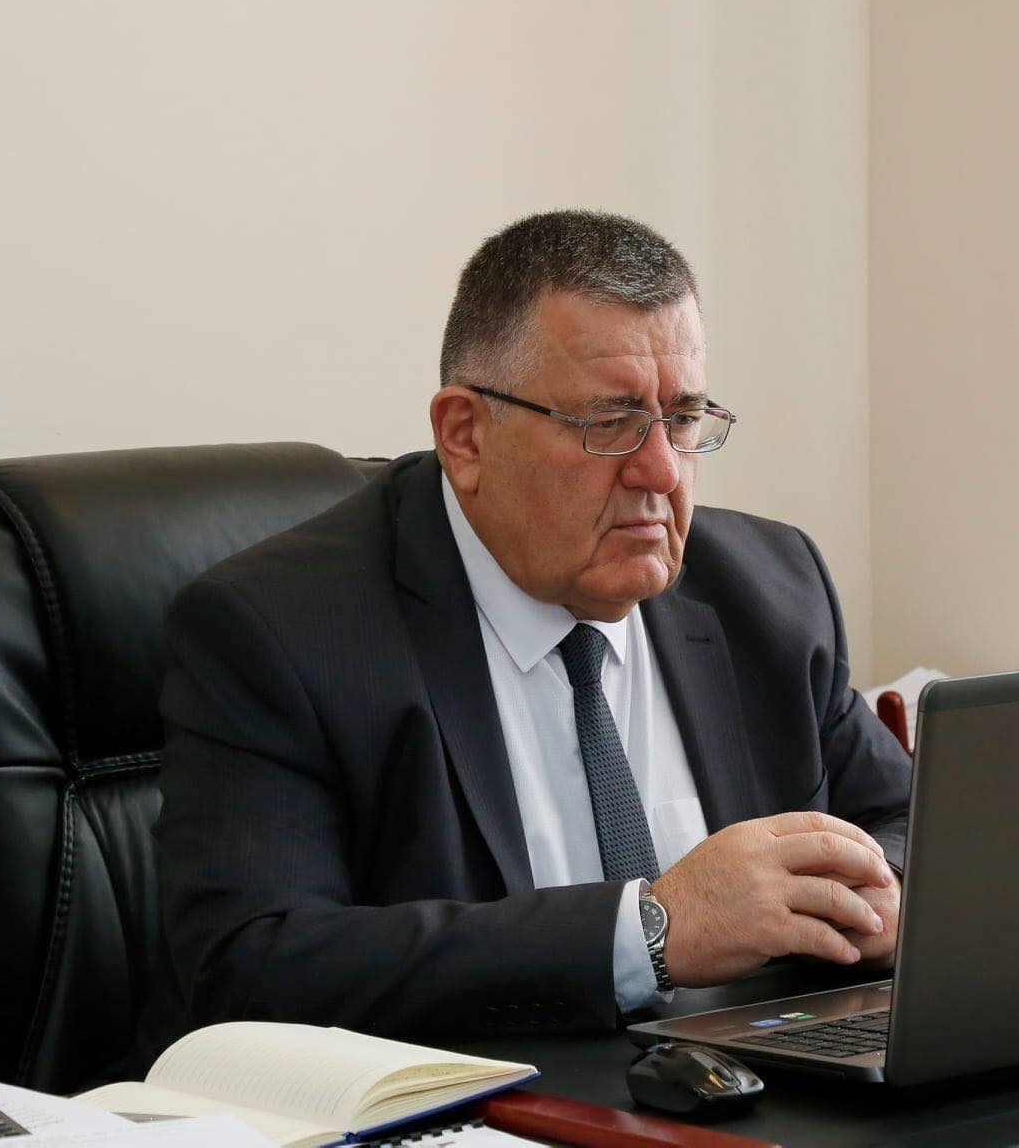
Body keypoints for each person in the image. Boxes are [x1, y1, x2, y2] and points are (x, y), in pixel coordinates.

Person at [142, 210, 912, 1058]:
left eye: (684, 419)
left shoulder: (767, 588)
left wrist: (884, 887)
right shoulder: (284, 631)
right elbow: (251, 963)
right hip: (497, 1099)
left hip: (759, 1084)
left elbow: (909, 818)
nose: (661, 470)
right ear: (465, 435)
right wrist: (651, 931)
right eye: (609, 422)